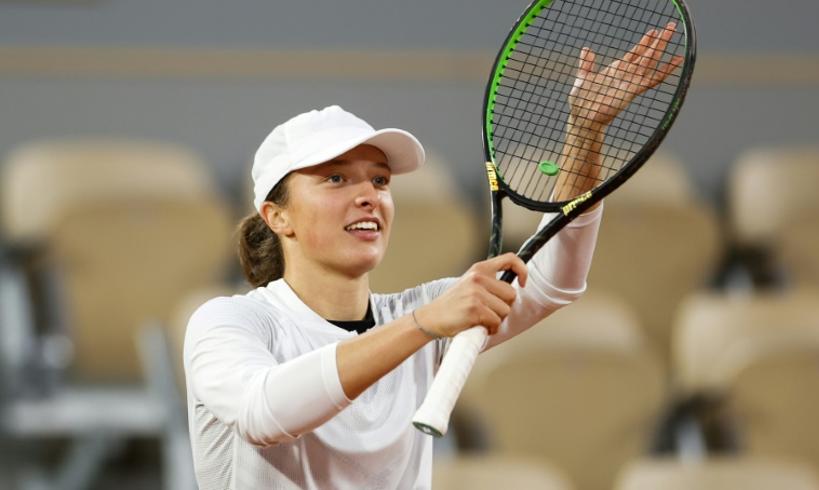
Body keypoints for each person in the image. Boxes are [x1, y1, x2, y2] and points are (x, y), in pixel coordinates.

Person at [183, 23, 681, 490]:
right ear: (277, 216)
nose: (368, 195)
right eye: (335, 178)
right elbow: (262, 412)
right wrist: (425, 325)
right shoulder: (230, 323)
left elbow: (555, 279)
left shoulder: (423, 320)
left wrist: (585, 130)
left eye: (379, 180)